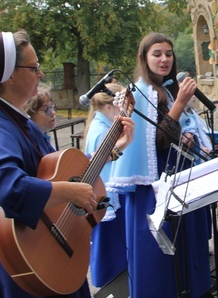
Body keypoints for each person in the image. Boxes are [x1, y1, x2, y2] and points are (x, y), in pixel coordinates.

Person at [0, 30, 134, 297]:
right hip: (25, 262)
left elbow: (55, 173)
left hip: (48, 252)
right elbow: (6, 187)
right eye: (34, 67)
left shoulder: (17, 120)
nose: (41, 74)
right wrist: (70, 192)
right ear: (9, 75)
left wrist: (114, 149)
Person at [107, 32, 212, 297]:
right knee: (157, 251)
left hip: (178, 175)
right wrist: (179, 105)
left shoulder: (165, 88)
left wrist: (188, 136)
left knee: (185, 245)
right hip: (153, 186)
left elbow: (173, 132)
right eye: (157, 54)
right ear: (144, 58)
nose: (164, 59)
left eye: (168, 53)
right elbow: (155, 140)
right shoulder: (138, 93)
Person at [83, 82, 128, 288]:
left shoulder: (98, 124)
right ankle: (111, 285)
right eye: (120, 105)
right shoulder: (102, 130)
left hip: (101, 192)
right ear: (109, 107)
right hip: (106, 193)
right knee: (109, 248)